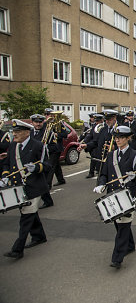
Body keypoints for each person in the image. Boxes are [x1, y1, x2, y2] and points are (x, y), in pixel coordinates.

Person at [94, 126, 136, 269]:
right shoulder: (111, 155)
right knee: (119, 224)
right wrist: (102, 184)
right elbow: (103, 173)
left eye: (121, 137)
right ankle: (130, 245)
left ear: (128, 138)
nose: (117, 140)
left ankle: (117, 258)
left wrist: (134, 177)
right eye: (116, 137)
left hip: (127, 196)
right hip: (112, 195)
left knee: (123, 226)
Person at [2, 119, 50, 259]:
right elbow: (6, 164)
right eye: (13, 131)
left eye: (17, 132)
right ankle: (39, 236)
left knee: (25, 217)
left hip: (34, 187)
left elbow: (47, 165)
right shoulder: (13, 146)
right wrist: (5, 176)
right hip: (18, 188)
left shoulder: (37, 146)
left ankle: (18, 249)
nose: (14, 134)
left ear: (26, 132)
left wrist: (36, 167)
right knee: (31, 214)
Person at [78, 110, 119, 180]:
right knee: (101, 183)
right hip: (103, 163)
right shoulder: (103, 129)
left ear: (114, 118)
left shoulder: (120, 129)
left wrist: (114, 147)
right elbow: (96, 142)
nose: (107, 122)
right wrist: (86, 145)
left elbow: (128, 145)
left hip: (116, 163)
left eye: (109, 119)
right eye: (106, 120)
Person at [30, 114, 55, 208]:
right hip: (32, 159)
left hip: (43, 159)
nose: (38, 124)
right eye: (36, 122)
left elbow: (54, 147)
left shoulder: (49, 133)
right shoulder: (30, 132)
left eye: (40, 122)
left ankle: (47, 201)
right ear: (32, 123)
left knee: (41, 181)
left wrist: (45, 147)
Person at [44, 108, 68, 188]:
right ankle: (61, 180)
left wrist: (57, 134)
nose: (48, 116)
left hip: (56, 148)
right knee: (56, 165)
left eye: (50, 114)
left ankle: (48, 184)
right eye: (47, 114)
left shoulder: (59, 123)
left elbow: (65, 134)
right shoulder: (45, 124)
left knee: (51, 166)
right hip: (49, 148)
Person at [83, 113, 105, 178]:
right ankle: (91, 172)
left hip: (102, 146)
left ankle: (100, 171)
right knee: (93, 158)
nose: (97, 122)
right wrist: (85, 143)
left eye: (98, 121)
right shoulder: (94, 127)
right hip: (95, 145)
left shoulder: (104, 127)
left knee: (101, 160)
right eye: (96, 121)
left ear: (102, 120)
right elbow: (90, 135)